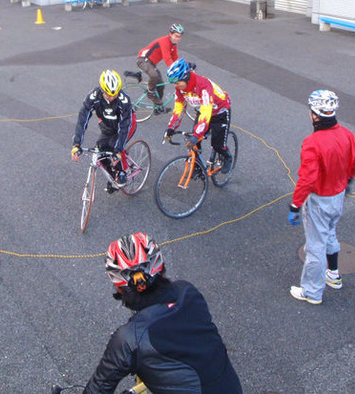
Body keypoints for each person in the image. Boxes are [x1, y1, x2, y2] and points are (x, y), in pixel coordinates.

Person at [84, 232, 243, 394]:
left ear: (118, 286)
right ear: (161, 268)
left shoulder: (130, 339)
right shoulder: (188, 291)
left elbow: (97, 389)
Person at [288, 90, 355, 305]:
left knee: (315, 247)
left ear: (314, 114)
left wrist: (295, 205)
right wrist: (348, 180)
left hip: (319, 201)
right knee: (330, 234)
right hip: (338, 197)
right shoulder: (347, 134)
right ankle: (333, 275)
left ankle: (312, 292)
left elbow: (307, 179)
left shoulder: (313, 142)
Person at [164, 58, 234, 172]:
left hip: (220, 111)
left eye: (177, 82)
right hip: (203, 111)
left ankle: (227, 157)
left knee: (217, 144)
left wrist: (197, 134)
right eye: (173, 83)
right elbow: (179, 108)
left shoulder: (203, 85)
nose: (176, 85)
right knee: (194, 142)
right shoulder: (180, 88)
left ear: (185, 77)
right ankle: (198, 165)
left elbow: (207, 111)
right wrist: (171, 127)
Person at [71, 70, 136, 192]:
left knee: (113, 147)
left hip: (126, 124)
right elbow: (82, 119)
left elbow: (124, 126)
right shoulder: (93, 97)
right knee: (101, 149)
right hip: (108, 125)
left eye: (114, 94)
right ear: (102, 90)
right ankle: (113, 177)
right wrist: (77, 144)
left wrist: (117, 150)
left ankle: (122, 172)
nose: (111, 98)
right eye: (108, 94)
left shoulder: (124, 100)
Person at [136, 23, 184, 112]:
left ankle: (158, 107)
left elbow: (175, 58)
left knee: (160, 85)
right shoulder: (164, 42)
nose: (178, 39)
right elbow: (167, 58)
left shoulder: (173, 45)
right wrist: (174, 70)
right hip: (143, 59)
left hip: (151, 63)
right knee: (154, 75)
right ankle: (150, 92)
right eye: (176, 36)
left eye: (180, 37)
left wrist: (186, 66)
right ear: (170, 34)